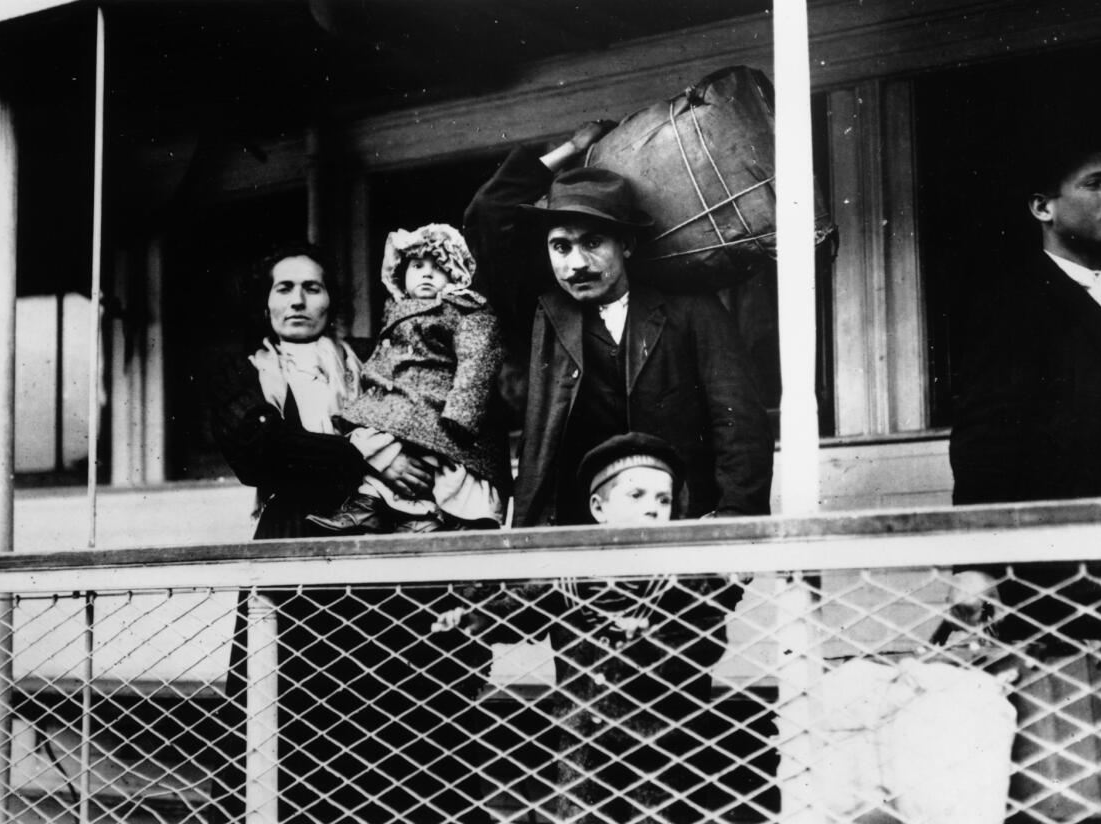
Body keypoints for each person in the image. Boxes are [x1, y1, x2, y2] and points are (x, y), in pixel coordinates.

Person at [210, 245, 483, 823]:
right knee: (287, 701)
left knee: (383, 704)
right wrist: (369, 455)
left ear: (332, 299)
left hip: (376, 540)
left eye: (313, 287)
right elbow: (261, 450)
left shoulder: (370, 359)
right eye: (284, 287)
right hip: (292, 543)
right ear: (264, 301)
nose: (298, 300)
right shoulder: (245, 368)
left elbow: (429, 405)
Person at [463, 121, 773, 527]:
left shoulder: (691, 310)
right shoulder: (543, 312)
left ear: (626, 245)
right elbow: (486, 213)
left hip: (675, 529)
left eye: (593, 243)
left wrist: (735, 522)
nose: (576, 264)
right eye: (561, 246)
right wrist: (571, 147)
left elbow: (740, 424)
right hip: (568, 541)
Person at [948, 137, 1101, 820]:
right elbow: (987, 446)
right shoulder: (1012, 305)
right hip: (1064, 587)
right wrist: (978, 564)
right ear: (1042, 207)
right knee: (1073, 775)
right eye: (1095, 182)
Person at [438, 432, 743, 822]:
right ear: (599, 508)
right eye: (637, 496)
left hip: (658, 740)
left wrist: (650, 641)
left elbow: (705, 639)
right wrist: (474, 617)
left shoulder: (681, 578)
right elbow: (522, 607)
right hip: (582, 740)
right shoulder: (571, 574)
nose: (653, 509)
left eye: (663, 499)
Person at [310, 223, 510, 534]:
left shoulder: (464, 309)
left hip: (436, 402)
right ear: (401, 275)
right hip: (398, 401)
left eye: (439, 267)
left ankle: (431, 517)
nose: (427, 274)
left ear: (457, 275)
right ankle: (370, 505)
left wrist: (462, 413)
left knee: (440, 464)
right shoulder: (396, 311)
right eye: (417, 266)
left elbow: (479, 357)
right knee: (374, 442)